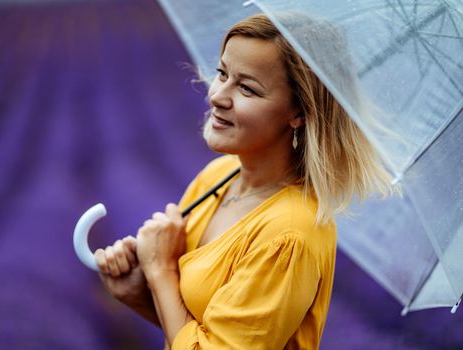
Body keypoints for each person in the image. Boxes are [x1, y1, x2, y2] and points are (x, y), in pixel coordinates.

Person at [94, 12, 392, 349]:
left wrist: (160, 269)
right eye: (223, 73)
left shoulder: (288, 236)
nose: (218, 96)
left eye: (247, 88)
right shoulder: (218, 177)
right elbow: (199, 332)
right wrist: (138, 293)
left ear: (299, 113)